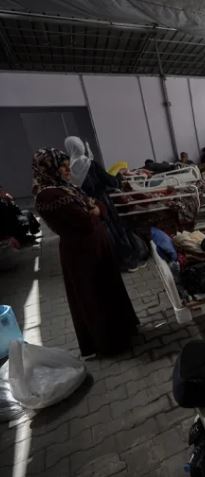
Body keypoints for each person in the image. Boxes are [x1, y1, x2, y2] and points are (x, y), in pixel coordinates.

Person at [32, 148, 138, 357]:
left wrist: (96, 209)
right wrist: (95, 211)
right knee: (95, 296)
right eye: (62, 167)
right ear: (49, 169)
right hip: (81, 254)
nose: (67, 170)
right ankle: (110, 344)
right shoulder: (48, 196)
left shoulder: (64, 188)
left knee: (108, 290)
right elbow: (85, 221)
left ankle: (123, 332)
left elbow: (96, 205)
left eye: (67, 165)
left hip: (94, 247)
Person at [65, 136, 147, 272]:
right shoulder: (90, 164)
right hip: (103, 202)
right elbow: (110, 181)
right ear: (80, 146)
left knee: (104, 233)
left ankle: (115, 263)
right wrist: (119, 176)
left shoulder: (70, 169)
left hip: (88, 205)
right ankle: (129, 261)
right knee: (116, 229)